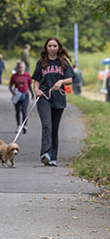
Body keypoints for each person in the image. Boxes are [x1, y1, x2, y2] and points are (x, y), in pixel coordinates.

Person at [31, 37, 75, 167]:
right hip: (44, 96)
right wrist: (36, 89)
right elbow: (36, 79)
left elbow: (70, 79)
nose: (52, 48)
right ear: (46, 48)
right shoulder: (41, 63)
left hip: (58, 97)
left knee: (54, 129)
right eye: (49, 46)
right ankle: (45, 154)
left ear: (59, 48)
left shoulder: (63, 63)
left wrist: (61, 81)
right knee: (47, 126)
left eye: (54, 46)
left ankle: (53, 157)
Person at [9, 61, 34, 134]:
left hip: (25, 95)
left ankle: (25, 125)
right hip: (17, 95)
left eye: (22, 67)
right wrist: (12, 92)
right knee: (17, 112)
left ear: (24, 68)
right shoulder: (14, 76)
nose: (21, 69)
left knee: (24, 111)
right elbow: (10, 86)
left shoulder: (27, 75)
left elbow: (30, 85)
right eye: (19, 67)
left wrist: (32, 94)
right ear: (17, 68)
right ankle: (18, 125)